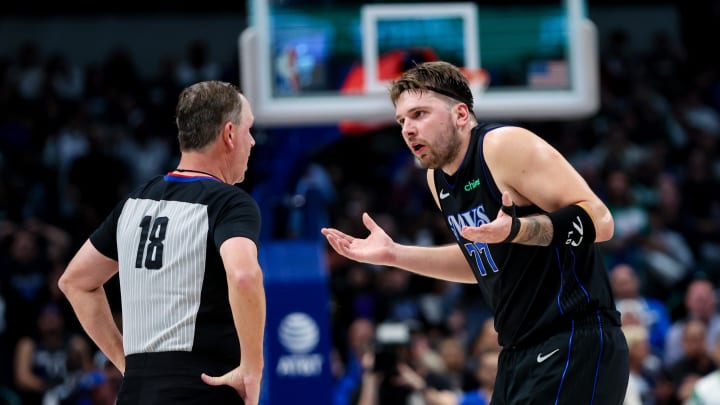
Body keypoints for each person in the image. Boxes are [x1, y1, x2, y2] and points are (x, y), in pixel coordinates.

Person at [321, 60, 629, 404]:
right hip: (518, 352)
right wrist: (393, 254)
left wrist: (516, 230)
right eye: (402, 120)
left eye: (419, 114)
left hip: (574, 336)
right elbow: (477, 261)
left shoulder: (503, 146)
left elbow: (601, 222)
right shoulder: (438, 180)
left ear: (461, 115)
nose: (408, 129)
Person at [58, 80, 265, 405]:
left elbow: (75, 282)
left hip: (136, 394)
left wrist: (127, 364)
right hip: (203, 390)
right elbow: (244, 276)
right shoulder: (230, 203)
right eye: (248, 130)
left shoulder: (133, 203)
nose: (252, 141)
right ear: (228, 134)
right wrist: (252, 368)